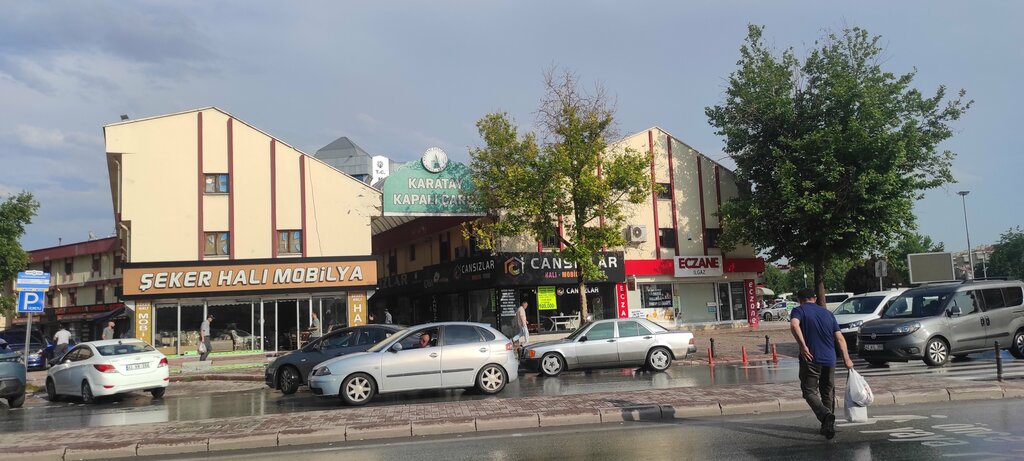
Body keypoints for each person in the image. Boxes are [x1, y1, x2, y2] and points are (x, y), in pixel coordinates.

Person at [790, 288, 854, 440]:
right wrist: (846, 359)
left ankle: (825, 416)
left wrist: (803, 346)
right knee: (827, 392)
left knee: (809, 391)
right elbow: (839, 338)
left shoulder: (798, 311)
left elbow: (794, 325)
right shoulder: (827, 313)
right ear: (814, 298)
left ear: (800, 299)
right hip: (830, 359)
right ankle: (827, 425)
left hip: (811, 358)